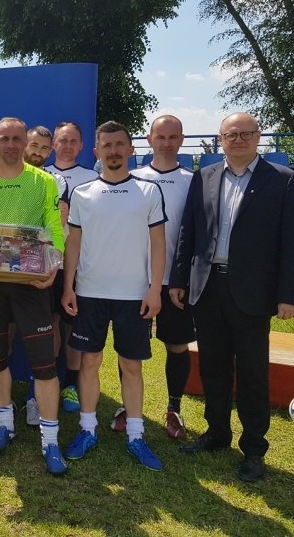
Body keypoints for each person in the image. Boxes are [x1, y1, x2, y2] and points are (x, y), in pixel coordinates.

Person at [171, 112, 294, 482]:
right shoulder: (205, 176)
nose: (239, 139)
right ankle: (216, 433)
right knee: (213, 366)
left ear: (258, 137)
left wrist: (289, 294)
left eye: (246, 133)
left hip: (253, 293)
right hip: (207, 286)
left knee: (251, 373)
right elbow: (189, 232)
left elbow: (293, 244)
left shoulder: (283, 180)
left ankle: (254, 449)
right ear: (220, 139)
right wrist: (179, 279)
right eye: (232, 134)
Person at [0, 117, 68, 476]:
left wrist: (55, 264)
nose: (11, 144)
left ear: (25, 142)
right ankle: (5, 423)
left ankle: (50, 441)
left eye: (17, 139)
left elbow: (54, 228)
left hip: (31, 284)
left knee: (44, 364)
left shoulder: (45, 182)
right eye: (4, 138)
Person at [61, 120, 166, 471]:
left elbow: (158, 243)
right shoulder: (82, 193)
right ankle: (88, 429)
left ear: (131, 148)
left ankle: (136, 436)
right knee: (89, 363)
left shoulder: (149, 191)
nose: (114, 151)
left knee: (131, 366)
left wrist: (154, 288)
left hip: (134, 296)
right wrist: (68, 286)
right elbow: (73, 244)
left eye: (120, 144)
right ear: (97, 151)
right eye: (107, 145)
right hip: (90, 293)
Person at [110, 115, 194, 438]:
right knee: (129, 349)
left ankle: (174, 409)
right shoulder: (132, 178)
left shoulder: (192, 180)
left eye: (173, 137)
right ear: (149, 138)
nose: (167, 143)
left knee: (176, 344)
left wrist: (181, 279)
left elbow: (194, 234)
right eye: (161, 136)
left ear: (181, 140)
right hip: (133, 280)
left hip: (173, 282)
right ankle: (129, 408)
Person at [44, 122, 98, 415]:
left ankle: (72, 384)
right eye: (62, 140)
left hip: (78, 264)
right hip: (44, 262)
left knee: (71, 324)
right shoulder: (40, 176)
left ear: (81, 146)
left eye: (73, 141)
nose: (67, 145)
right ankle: (49, 379)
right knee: (49, 321)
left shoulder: (92, 178)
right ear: (54, 144)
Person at [20, 125, 67, 426]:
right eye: (33, 145)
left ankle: (37, 395)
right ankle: (15, 393)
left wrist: (49, 265)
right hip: (5, 269)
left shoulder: (56, 180)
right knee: (9, 329)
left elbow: (57, 226)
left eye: (44, 148)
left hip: (40, 269)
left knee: (48, 328)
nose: (38, 152)